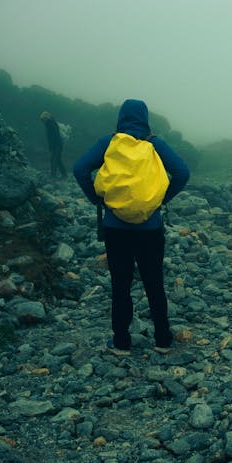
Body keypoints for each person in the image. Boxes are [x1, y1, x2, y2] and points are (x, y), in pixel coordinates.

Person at [73, 99, 190, 353]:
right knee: (154, 282)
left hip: (116, 227)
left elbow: (79, 168)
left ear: (121, 118)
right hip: (150, 228)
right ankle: (162, 340)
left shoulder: (108, 143)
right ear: (145, 118)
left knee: (121, 284)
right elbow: (183, 173)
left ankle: (122, 342)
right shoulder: (155, 144)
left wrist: (97, 199)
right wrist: (160, 200)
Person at [40, 111, 67, 178]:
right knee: (58, 160)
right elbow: (53, 137)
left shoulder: (50, 124)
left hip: (57, 145)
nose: (42, 121)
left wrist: (52, 146)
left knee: (54, 160)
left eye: (43, 119)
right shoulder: (51, 123)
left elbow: (54, 137)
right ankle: (64, 175)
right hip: (58, 145)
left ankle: (53, 175)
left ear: (46, 118)